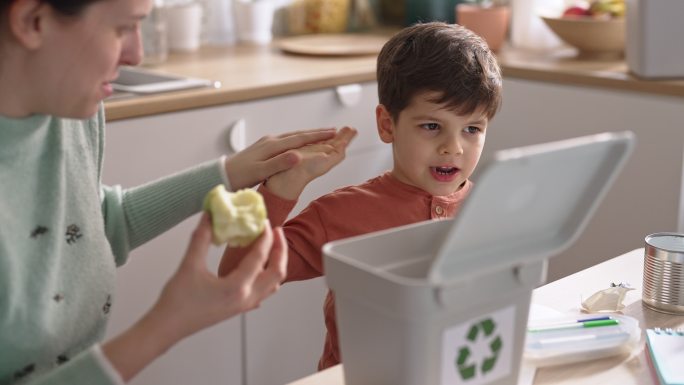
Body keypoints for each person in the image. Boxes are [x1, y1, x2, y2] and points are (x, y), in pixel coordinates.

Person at [0, 0, 356, 383]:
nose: (136, 53)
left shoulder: (67, 107)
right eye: (123, 28)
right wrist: (168, 324)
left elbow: (89, 224)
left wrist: (227, 173)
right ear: (32, 20)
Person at [219, 22, 503, 370]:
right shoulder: (341, 213)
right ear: (387, 125)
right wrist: (281, 190)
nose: (453, 148)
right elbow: (236, 280)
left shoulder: (489, 209)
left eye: (472, 129)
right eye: (431, 126)